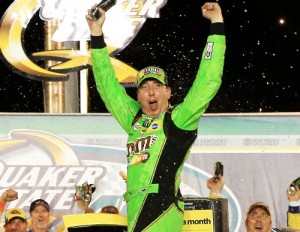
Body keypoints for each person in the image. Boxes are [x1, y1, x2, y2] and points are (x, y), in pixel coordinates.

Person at [86, 1, 226, 231]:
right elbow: (106, 84)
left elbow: (208, 80)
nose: (151, 91)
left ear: (168, 92)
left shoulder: (178, 119)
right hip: (135, 215)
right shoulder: (134, 119)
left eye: (157, 86)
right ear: (138, 96)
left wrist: (217, 25)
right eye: (144, 87)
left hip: (163, 214)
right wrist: (96, 33)